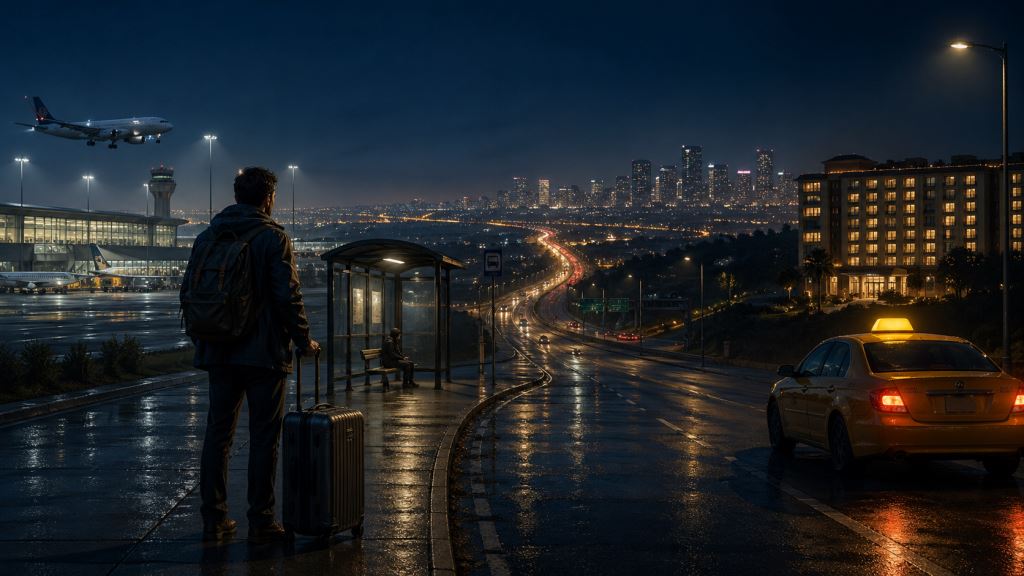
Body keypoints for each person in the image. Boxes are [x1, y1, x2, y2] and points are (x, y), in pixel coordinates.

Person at [182, 167, 320, 544]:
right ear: (268, 198)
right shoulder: (273, 237)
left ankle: (213, 518)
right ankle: (261, 521)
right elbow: (287, 296)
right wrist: (303, 340)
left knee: (218, 435)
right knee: (263, 438)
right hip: (263, 354)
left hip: (218, 350)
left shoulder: (207, 236)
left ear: (236, 196)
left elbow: (189, 291)